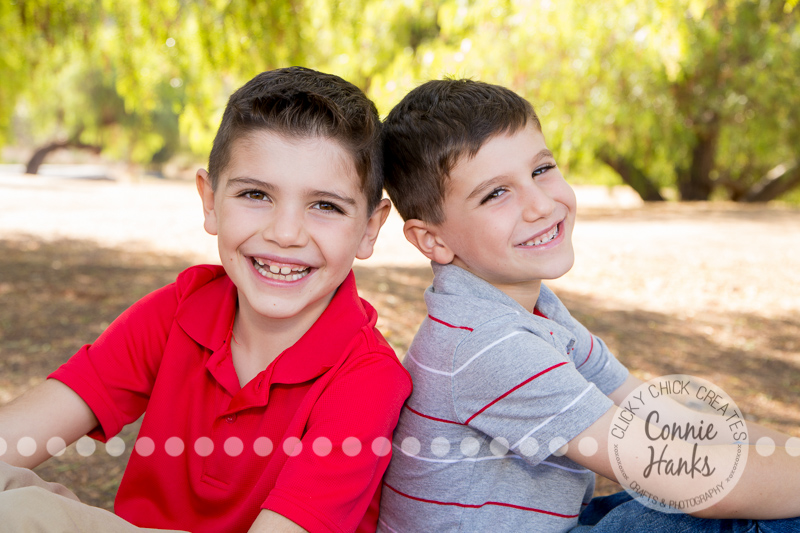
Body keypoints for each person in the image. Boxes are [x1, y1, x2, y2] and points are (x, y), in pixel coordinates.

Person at [375, 78, 800, 532]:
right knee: (750, 514)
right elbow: (697, 479)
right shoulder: (486, 346)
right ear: (431, 239)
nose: (540, 204)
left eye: (541, 170)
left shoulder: (533, 311)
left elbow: (655, 416)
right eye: (495, 193)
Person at [0, 66, 412, 533]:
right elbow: (14, 438)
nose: (285, 233)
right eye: (256, 194)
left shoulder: (367, 380)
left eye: (325, 206)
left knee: (19, 514)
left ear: (371, 227)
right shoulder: (180, 311)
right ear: (211, 201)